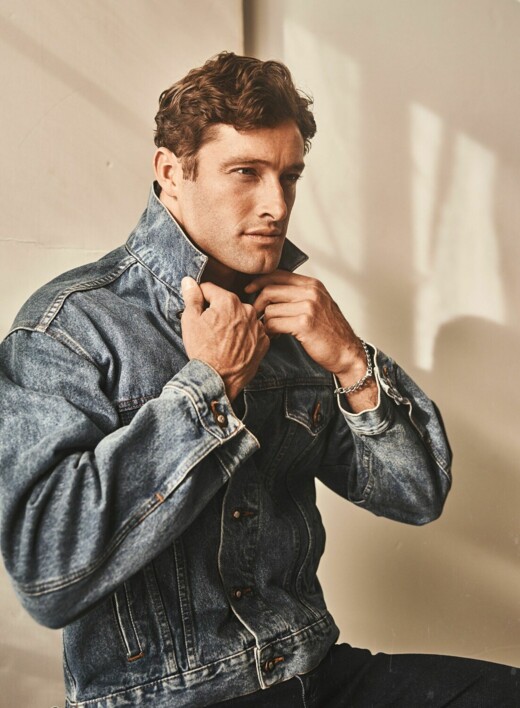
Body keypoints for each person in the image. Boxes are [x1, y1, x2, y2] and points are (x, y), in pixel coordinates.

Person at [0, 52, 517, 708]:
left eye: (289, 176)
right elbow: (46, 575)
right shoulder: (70, 327)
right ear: (171, 172)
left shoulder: (295, 322)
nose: (276, 205)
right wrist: (209, 384)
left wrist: (349, 359)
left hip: (314, 672)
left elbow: (416, 495)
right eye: (245, 172)